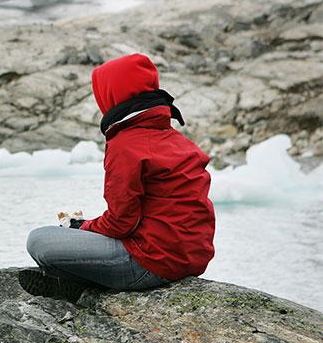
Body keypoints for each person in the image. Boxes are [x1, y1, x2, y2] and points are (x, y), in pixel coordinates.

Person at [19, 53, 216, 302]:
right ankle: (73, 283)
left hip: (150, 263)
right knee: (78, 235)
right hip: (189, 259)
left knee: (39, 240)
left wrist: (85, 226)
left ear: (111, 95)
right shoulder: (174, 139)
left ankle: (75, 285)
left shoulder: (126, 143)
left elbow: (122, 223)